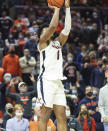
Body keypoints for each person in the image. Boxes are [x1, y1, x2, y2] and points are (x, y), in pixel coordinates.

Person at [36, 0, 71, 130]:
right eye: (44, 31)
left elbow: (67, 30)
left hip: (58, 81)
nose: (48, 32)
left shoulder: (57, 43)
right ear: (41, 35)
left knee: (61, 115)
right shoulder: (42, 43)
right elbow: (52, 27)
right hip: (46, 81)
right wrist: (57, 8)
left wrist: (67, 9)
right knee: (45, 115)